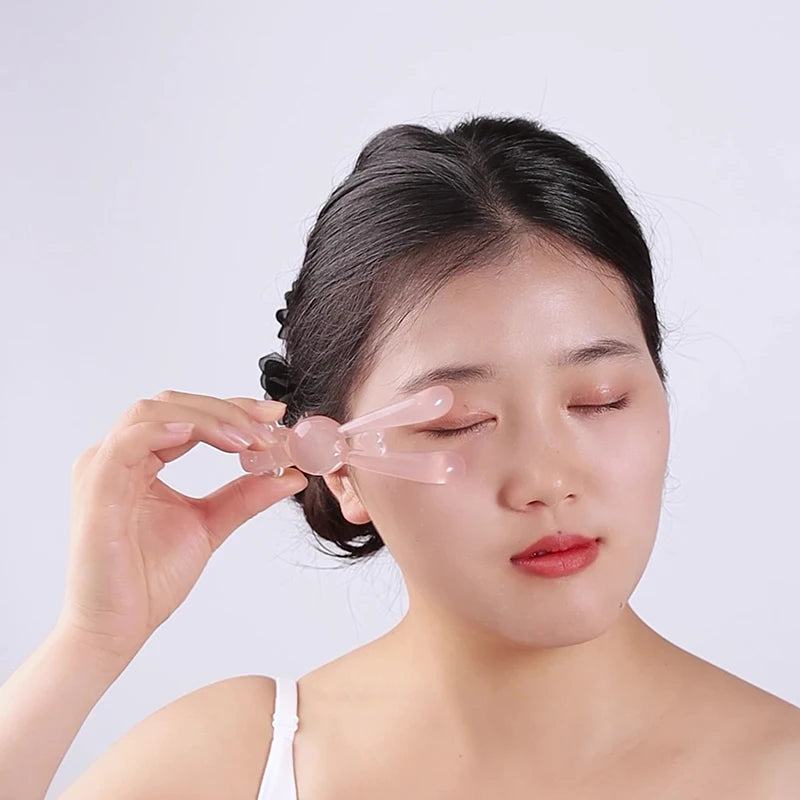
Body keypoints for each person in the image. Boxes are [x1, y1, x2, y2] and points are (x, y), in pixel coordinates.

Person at [2, 115, 798, 800]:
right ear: (339, 466)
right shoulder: (232, 766)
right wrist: (89, 642)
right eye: (458, 423)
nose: (547, 479)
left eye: (599, 400)